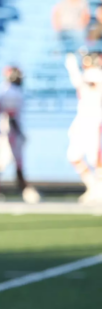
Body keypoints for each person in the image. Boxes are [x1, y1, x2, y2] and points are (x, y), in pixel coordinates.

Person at [0, 67, 40, 204]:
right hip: (10, 131)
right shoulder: (10, 91)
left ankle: (24, 190)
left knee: (15, 163)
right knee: (3, 162)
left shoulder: (7, 90)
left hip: (9, 129)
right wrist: (19, 132)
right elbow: (11, 116)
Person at [65, 52, 102, 203]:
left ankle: (98, 189)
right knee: (74, 156)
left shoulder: (95, 74)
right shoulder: (90, 74)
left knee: (95, 158)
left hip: (94, 119)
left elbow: (80, 83)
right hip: (83, 119)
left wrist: (72, 68)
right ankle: (93, 187)